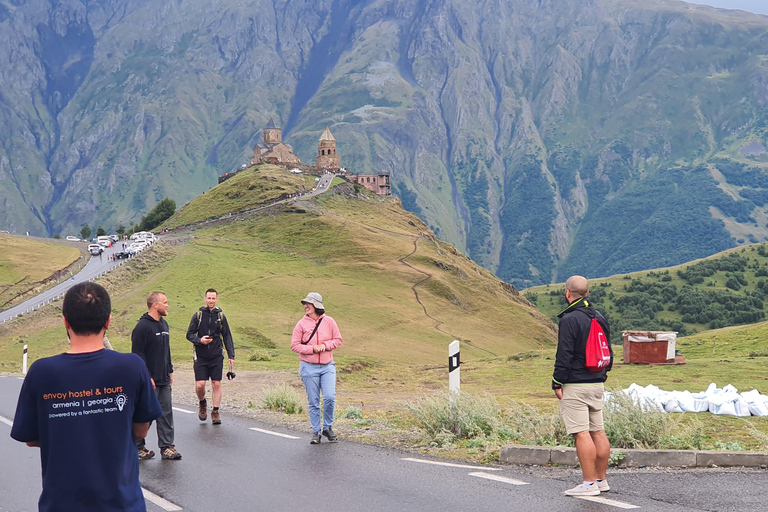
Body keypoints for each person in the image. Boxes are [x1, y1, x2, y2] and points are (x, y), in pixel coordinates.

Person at [10, 282, 162, 511]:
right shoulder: (132, 367)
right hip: (122, 504)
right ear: (108, 321)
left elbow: (31, 438)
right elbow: (141, 431)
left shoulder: (41, 371)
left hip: (61, 504)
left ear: (65, 321)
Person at [552, 275, 613, 497]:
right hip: (597, 381)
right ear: (587, 293)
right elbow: (608, 348)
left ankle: (588, 484)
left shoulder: (569, 319)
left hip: (575, 384)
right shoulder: (599, 316)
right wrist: (603, 374)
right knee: (598, 430)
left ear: (568, 293)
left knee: (581, 432)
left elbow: (564, 354)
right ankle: (601, 479)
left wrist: (557, 381)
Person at [132, 291, 182, 460]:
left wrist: (170, 369)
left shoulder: (164, 324)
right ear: (155, 305)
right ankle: (138, 447)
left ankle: (167, 447)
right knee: (146, 414)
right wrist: (147, 376)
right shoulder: (142, 327)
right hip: (148, 380)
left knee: (166, 412)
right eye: (165, 302)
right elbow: (138, 355)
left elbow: (166, 350)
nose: (168, 305)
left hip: (164, 378)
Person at [290, 292, 343, 444]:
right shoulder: (301, 324)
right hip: (308, 367)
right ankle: (316, 432)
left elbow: (338, 340)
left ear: (317, 305)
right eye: (305, 303)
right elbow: (294, 345)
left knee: (329, 397)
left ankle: (327, 427)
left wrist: (325, 346)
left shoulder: (329, 321)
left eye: (309, 303)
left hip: (327, 366)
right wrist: (312, 349)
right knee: (313, 401)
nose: (306, 306)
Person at [186, 288, 235, 425]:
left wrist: (231, 355)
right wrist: (200, 340)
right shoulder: (198, 315)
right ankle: (202, 403)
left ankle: (215, 411)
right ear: (205, 299)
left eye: (213, 298)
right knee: (200, 385)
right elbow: (189, 334)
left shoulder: (221, 317)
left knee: (216, 384)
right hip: (201, 355)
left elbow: (227, 336)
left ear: (217, 299)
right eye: (209, 298)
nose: (211, 301)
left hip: (216, 355)